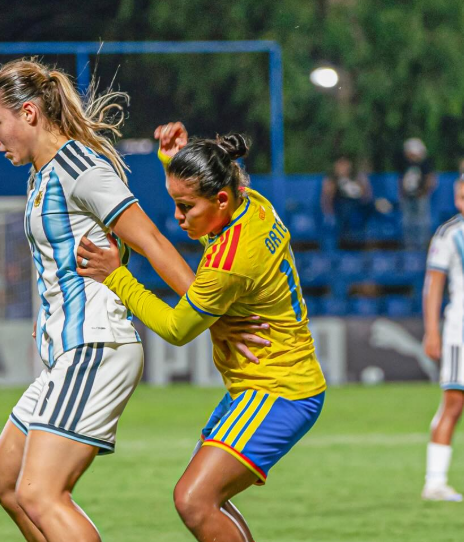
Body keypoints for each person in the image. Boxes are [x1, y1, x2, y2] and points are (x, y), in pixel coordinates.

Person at [0, 61, 266, 542]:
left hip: (94, 347)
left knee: (41, 494)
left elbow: (150, 239)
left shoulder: (80, 168)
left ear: (28, 113)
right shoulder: (41, 176)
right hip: (65, 353)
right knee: (6, 482)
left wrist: (214, 317)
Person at [78, 122, 327, 542]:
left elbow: (177, 328)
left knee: (194, 499)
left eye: (185, 207)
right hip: (265, 386)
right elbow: (214, 195)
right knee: (210, 500)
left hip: (278, 389)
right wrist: (172, 160)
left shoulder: (230, 261)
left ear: (221, 199)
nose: (177, 218)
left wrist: (116, 277)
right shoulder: (252, 204)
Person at [421, 176, 464, 502]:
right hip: (459, 332)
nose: (461, 202)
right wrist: (432, 331)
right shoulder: (449, 233)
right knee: (454, 402)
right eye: (459, 197)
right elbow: (433, 285)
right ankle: (435, 482)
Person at [320, 156, 374, 249]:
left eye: (345, 164)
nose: (343, 167)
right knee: (345, 209)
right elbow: (327, 198)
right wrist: (328, 213)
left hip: (358, 206)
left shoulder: (357, 177)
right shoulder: (332, 179)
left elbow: (367, 195)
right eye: (340, 164)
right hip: (341, 207)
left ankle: (359, 240)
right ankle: (346, 241)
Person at [399, 138, 437, 250]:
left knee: (422, 221)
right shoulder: (405, 164)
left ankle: (422, 245)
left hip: (421, 197)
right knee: (407, 222)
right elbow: (401, 180)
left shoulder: (424, 164)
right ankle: (409, 245)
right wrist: (402, 193)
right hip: (408, 197)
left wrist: (424, 192)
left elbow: (430, 180)